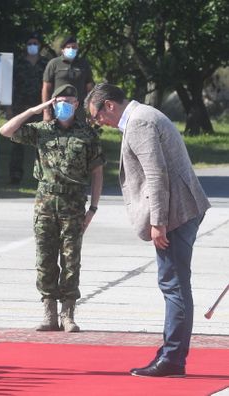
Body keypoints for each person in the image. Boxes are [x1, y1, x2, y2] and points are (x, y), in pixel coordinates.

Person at [84, 83, 211, 377]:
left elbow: (156, 173)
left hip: (175, 214)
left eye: (97, 116)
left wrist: (158, 221)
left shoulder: (139, 121)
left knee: (174, 285)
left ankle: (172, 359)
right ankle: (172, 353)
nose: (98, 122)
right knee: (175, 284)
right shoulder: (145, 115)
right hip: (181, 209)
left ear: (109, 106)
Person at [0, 84, 104, 332]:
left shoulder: (88, 135)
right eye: (58, 101)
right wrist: (35, 110)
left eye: (68, 101)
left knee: (70, 259)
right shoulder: (41, 131)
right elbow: (6, 130)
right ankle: (49, 313)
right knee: (45, 259)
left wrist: (93, 209)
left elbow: (97, 173)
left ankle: (68, 314)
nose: (63, 105)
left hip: (74, 203)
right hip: (45, 203)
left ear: (77, 104)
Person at [8, 32, 49, 185]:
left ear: (40, 46)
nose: (33, 46)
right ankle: (15, 175)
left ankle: (43, 174)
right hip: (20, 108)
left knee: (43, 141)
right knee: (17, 142)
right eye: (30, 43)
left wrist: (48, 110)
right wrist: (9, 108)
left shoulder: (46, 63)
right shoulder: (18, 63)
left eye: (35, 43)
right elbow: (11, 86)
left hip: (40, 107)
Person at [42, 36, 94, 122]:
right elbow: (46, 88)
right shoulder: (54, 63)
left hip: (78, 108)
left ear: (77, 49)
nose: (71, 49)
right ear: (63, 49)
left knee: (80, 133)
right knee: (56, 133)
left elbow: (90, 88)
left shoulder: (84, 64)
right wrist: (46, 111)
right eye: (68, 47)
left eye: (74, 47)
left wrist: (90, 110)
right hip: (59, 107)